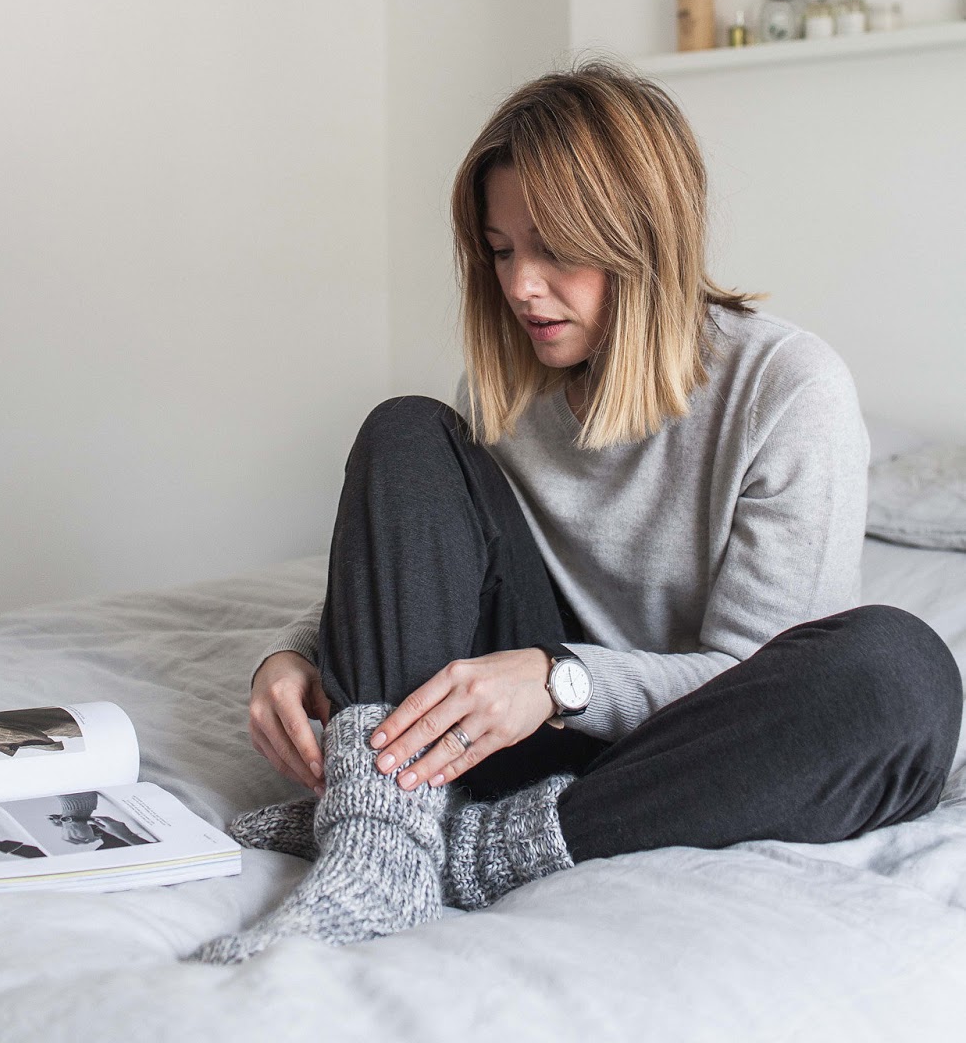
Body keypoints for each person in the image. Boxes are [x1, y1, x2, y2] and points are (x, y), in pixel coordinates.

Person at [195, 61, 963, 966]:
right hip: (499, 736)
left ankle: (475, 846)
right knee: (406, 431)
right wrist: (295, 650)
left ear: (643, 240)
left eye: (555, 249)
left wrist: (561, 681)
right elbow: (431, 569)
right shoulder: (502, 388)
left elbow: (758, 680)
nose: (522, 286)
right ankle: (379, 841)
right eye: (500, 250)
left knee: (900, 672)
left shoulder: (789, 392)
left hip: (693, 759)